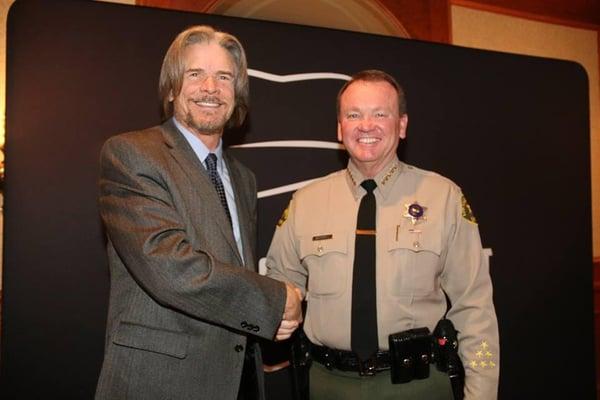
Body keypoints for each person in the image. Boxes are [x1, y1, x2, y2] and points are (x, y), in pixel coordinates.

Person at [95, 25, 302, 400]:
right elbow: (171, 268)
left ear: (237, 94)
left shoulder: (242, 178)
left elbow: (234, 270)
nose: (211, 88)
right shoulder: (132, 154)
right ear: (172, 87)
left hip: (238, 380)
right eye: (195, 74)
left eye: (224, 77)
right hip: (161, 382)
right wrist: (274, 302)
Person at [266, 70, 499, 399]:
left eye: (380, 114)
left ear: (402, 125)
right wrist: (280, 306)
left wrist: (482, 394)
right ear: (339, 128)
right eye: (354, 115)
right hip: (328, 386)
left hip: (417, 387)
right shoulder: (306, 202)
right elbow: (280, 286)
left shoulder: (443, 197)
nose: (366, 125)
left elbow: (474, 308)